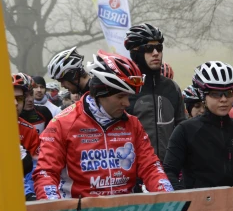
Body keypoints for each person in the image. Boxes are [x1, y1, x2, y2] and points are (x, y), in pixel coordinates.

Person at [33, 52, 173, 200]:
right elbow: (46, 173)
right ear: (100, 93)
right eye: (120, 96)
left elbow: (151, 167)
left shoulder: (132, 124)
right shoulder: (62, 123)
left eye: (128, 96)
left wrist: (169, 198)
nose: (127, 103)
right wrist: (55, 209)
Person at [164, 61, 233, 189]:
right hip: (199, 205)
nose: (223, 99)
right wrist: (185, 199)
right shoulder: (185, 130)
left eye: (229, 93)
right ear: (203, 95)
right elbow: (169, 172)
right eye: (216, 94)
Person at [124, 22, 186, 160]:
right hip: (136, 169)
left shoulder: (172, 88)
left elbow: (182, 128)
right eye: (148, 48)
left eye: (159, 47)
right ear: (135, 52)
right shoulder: (126, 89)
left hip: (169, 169)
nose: (156, 53)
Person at [13, 74, 40, 200]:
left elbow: (34, 170)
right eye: (9, 97)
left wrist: (29, 195)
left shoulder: (29, 130)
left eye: (18, 99)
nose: (14, 103)